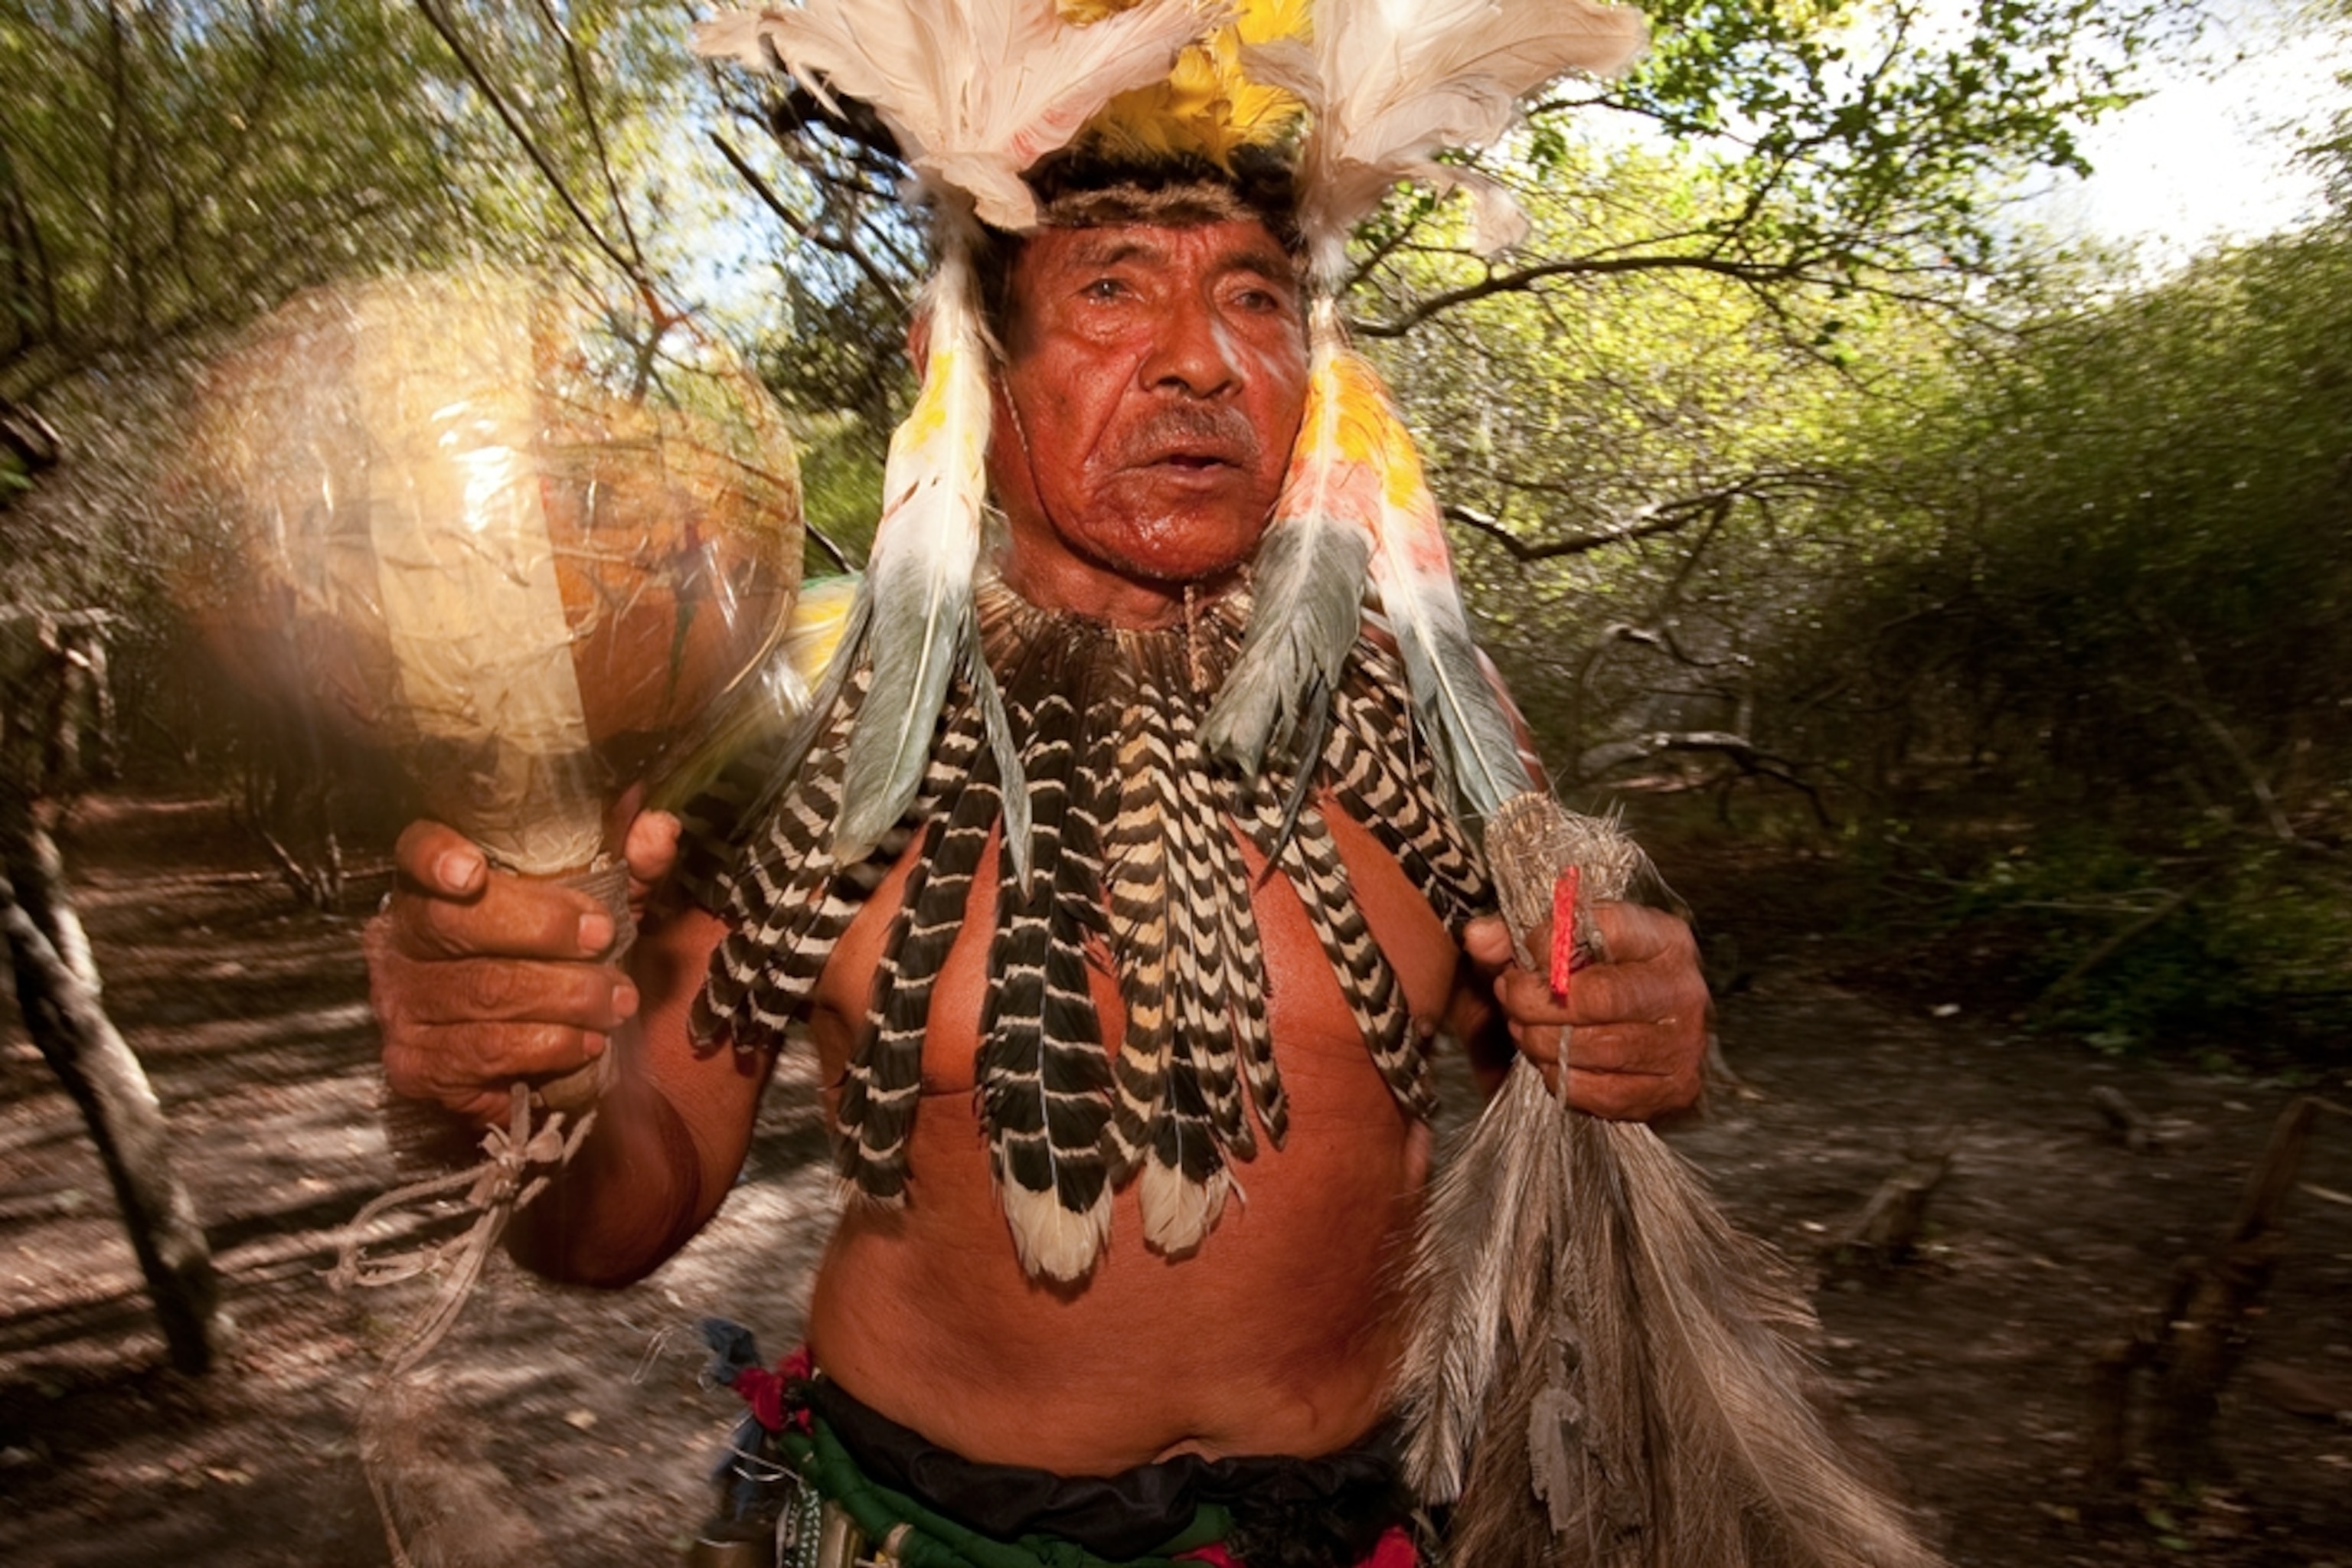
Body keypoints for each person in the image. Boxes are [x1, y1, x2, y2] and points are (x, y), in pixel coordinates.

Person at [366, 157, 1710, 1568]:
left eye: (1254, 295)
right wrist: (523, 1073)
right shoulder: (807, 727)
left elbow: (1566, 1089)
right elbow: (607, 1228)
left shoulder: (1433, 715)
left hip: (1361, 1520)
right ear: (966, 356)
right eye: (1114, 284)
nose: (1199, 357)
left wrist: (1642, 1045)